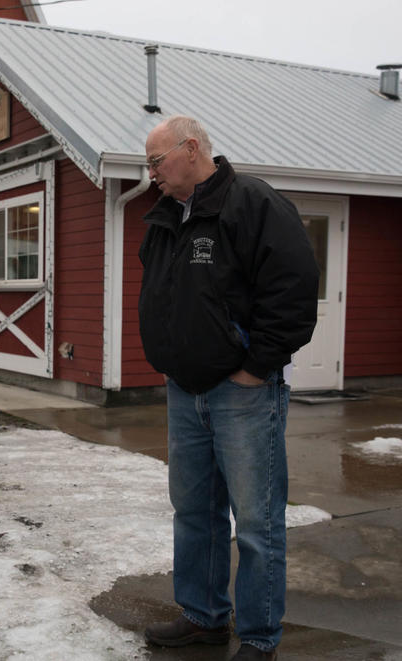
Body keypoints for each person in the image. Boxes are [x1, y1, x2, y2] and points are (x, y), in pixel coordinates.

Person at [138, 116, 319, 661]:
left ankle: (260, 638)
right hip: (184, 392)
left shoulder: (254, 204)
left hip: (244, 394)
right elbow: (164, 294)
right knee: (195, 512)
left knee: (257, 523)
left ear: (191, 149)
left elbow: (292, 294)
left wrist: (255, 367)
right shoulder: (167, 214)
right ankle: (204, 617)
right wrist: (171, 359)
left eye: (156, 162)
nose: (151, 176)